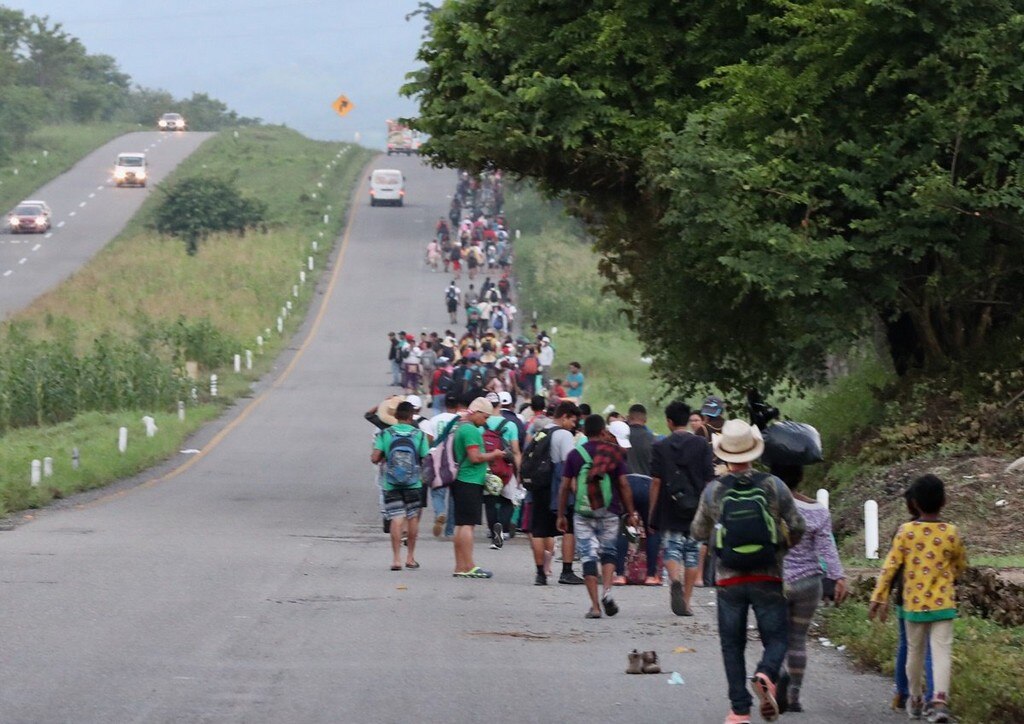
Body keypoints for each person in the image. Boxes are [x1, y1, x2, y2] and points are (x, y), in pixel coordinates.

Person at [691, 419, 806, 724]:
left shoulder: (714, 490)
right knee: (777, 638)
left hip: (729, 578)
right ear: (754, 453)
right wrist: (780, 549)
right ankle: (766, 675)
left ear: (724, 455)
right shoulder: (773, 485)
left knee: (732, 644)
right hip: (768, 575)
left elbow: (698, 531)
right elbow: (798, 526)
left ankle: (739, 710)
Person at [869, 474, 966, 723]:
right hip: (943, 604)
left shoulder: (906, 532)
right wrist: (948, 576)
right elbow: (960, 565)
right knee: (942, 652)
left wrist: (878, 596)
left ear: (915, 503)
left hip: (913, 605)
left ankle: (914, 698)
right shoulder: (952, 532)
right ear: (944, 501)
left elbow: (890, 567)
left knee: (914, 651)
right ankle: (940, 701)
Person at [772, 463, 847, 713]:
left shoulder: (769, 507)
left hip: (775, 582)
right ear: (801, 478)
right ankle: (794, 697)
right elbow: (828, 548)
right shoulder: (817, 509)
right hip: (809, 582)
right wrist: (838, 577)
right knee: (798, 639)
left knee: (775, 638)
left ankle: (779, 675)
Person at [557, 414, 640, 618]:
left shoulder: (575, 455)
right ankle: (608, 592)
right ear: (603, 432)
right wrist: (631, 512)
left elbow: (565, 486)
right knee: (609, 552)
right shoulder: (612, 454)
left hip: (583, 511)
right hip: (610, 511)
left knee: (588, 555)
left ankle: (595, 607)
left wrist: (561, 514)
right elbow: (623, 485)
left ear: (584, 432)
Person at [649, 401, 715, 614]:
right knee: (692, 554)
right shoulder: (702, 444)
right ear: (687, 420)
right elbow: (708, 481)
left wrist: (652, 512)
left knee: (671, 548)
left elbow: (656, 482)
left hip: (670, 506)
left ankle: (674, 580)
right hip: (696, 506)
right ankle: (686, 602)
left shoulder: (660, 446)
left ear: (669, 422)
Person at [450, 396, 509, 579]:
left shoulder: (460, 426)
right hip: (471, 480)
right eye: (484, 417)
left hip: (461, 480)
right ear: (476, 412)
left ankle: (460, 566)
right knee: (468, 525)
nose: (486, 421)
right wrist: (494, 454)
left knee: (460, 525)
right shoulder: (471, 431)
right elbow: (475, 457)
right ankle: (469, 565)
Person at [890, 483, 935, 713]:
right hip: (935, 600)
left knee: (906, 645)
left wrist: (883, 594)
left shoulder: (902, 530)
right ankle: (931, 697)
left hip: (905, 599)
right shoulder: (943, 530)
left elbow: (892, 568)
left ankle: (902, 692)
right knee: (929, 648)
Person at [527, 401, 583, 586]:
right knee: (568, 528)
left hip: (538, 487)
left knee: (539, 531)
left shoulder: (541, 432)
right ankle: (566, 571)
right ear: (565, 416)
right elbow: (569, 465)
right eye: (572, 421)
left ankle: (539, 574)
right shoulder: (564, 435)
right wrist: (575, 491)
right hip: (556, 488)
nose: (573, 425)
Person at [370, 401, 428, 571]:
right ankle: (410, 557)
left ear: (395, 416)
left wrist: (383, 456)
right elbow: (425, 457)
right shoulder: (419, 435)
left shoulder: (385, 433)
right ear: (411, 416)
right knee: (412, 518)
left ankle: (396, 559)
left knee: (396, 518)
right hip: (414, 483)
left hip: (391, 482)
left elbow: (374, 458)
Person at [625, 403, 654, 475]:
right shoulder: (653, 440)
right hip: (647, 483)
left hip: (623, 484)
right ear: (645, 420)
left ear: (628, 418)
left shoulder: (619, 438)